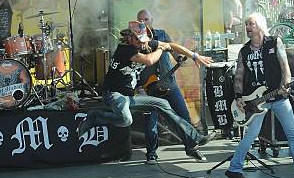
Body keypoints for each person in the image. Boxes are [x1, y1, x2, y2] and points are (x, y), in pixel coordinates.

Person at [78, 22, 215, 162]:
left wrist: (194, 55)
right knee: (127, 120)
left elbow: (172, 46)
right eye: (137, 40)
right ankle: (96, 116)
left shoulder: (146, 44)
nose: (141, 43)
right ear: (129, 37)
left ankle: (195, 139)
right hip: (113, 94)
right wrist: (161, 48)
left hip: (129, 96)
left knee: (162, 104)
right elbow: (149, 60)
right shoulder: (124, 48)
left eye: (143, 40)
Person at [225, 12, 294, 178]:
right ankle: (234, 169)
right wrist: (238, 97)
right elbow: (239, 77)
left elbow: (284, 67)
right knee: (251, 136)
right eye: (246, 24)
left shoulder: (274, 42)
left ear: (260, 26)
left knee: (292, 134)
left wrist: (285, 85)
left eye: (251, 24)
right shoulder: (244, 51)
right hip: (257, 101)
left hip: (278, 98)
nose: (248, 27)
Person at [136, 10, 201, 163]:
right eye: (140, 20)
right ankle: (151, 153)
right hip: (149, 86)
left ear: (151, 20)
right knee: (151, 121)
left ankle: (192, 148)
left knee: (184, 115)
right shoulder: (136, 41)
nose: (143, 22)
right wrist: (139, 87)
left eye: (146, 19)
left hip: (169, 82)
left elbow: (173, 49)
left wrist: (179, 59)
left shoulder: (162, 34)